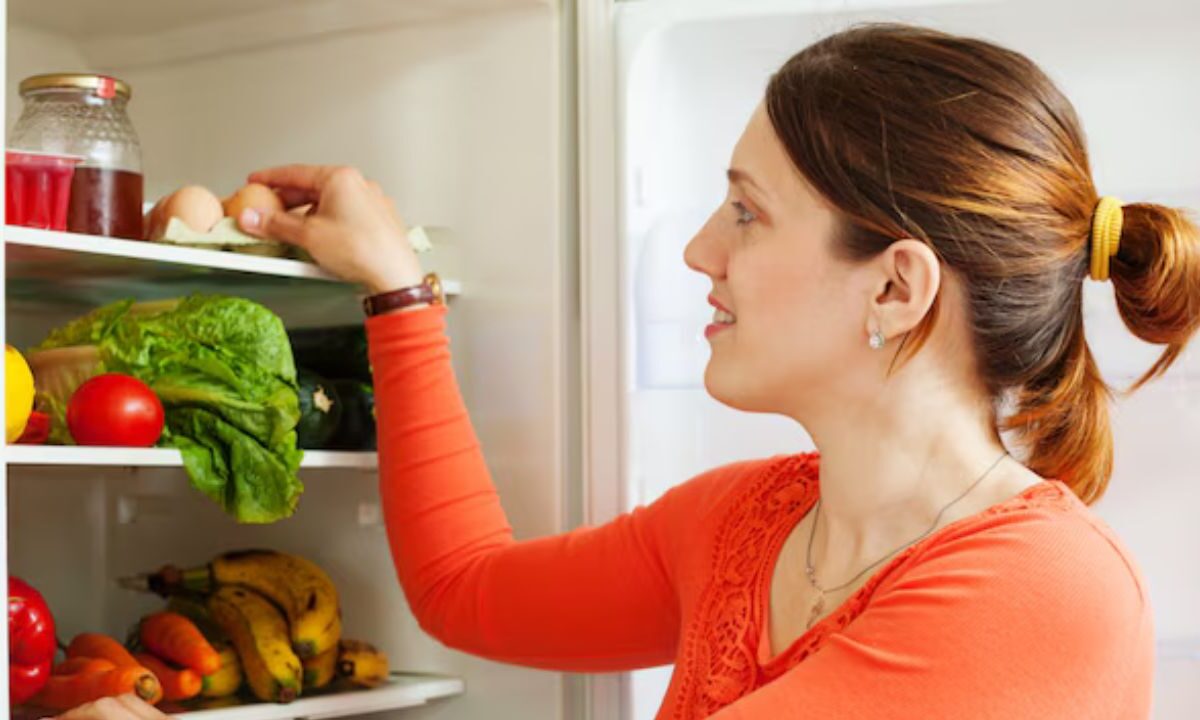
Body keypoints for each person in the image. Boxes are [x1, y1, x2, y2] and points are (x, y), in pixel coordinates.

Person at [61, 22, 1198, 720]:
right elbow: (468, 587)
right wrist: (398, 291)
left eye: (746, 213)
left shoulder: (1041, 595)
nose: (701, 249)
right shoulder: (749, 524)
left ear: (895, 288)